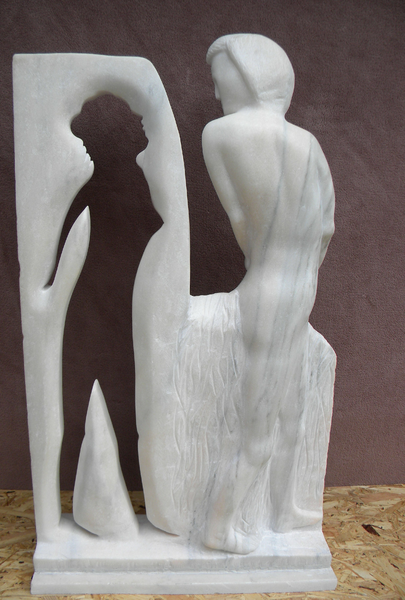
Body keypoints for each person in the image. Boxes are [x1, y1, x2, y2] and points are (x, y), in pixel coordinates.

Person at [201, 34, 335, 554]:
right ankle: (218, 526)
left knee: (287, 411)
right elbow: (326, 227)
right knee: (263, 422)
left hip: (272, 288)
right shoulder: (309, 144)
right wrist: (300, 268)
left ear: (250, 74)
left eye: (221, 79)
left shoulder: (219, 135)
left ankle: (284, 508)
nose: (216, 93)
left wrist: (266, 258)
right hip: (294, 291)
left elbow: (240, 218)